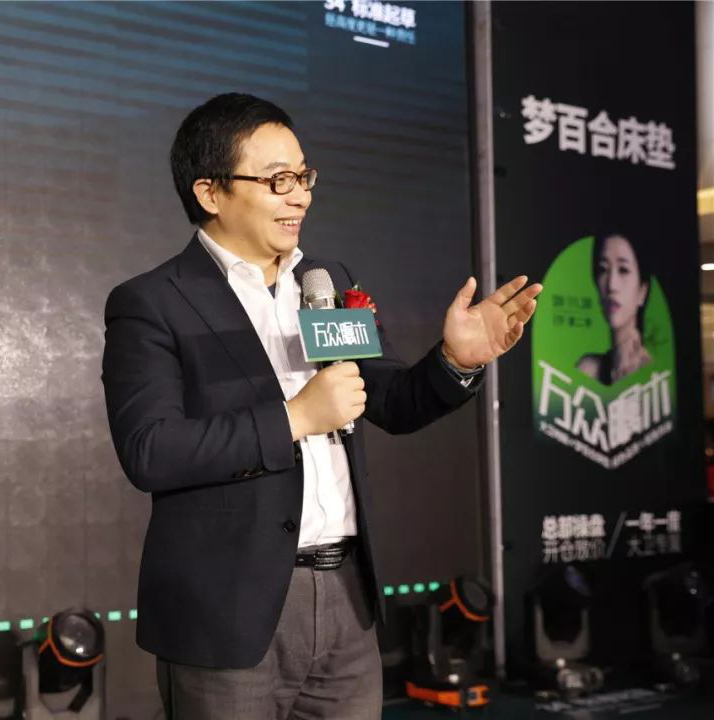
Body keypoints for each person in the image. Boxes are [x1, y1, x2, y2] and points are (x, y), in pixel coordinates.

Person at [101, 93, 540, 720]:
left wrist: (457, 360)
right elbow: (152, 450)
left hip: (346, 602)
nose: (301, 197)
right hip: (228, 611)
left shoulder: (326, 282)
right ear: (210, 192)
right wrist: (296, 419)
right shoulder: (153, 301)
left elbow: (391, 401)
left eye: (303, 176)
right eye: (277, 180)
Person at [576, 233, 651, 385]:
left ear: (642, 291)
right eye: (603, 269)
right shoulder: (587, 369)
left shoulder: (652, 371)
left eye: (623, 270)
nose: (611, 285)